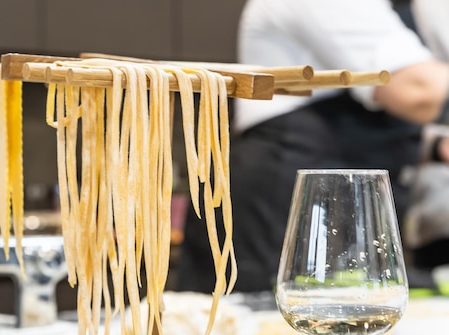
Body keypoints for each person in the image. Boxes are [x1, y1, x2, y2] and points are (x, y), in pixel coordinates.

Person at [176, 0, 449, 294]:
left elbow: (370, 129)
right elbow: (418, 90)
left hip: (342, 204)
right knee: (255, 329)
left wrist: (436, 146)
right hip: (281, 203)